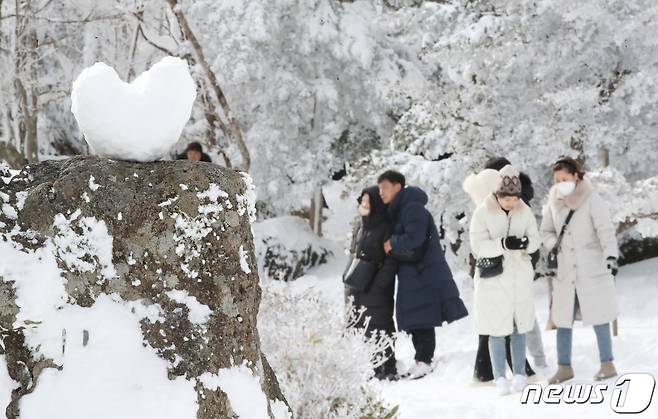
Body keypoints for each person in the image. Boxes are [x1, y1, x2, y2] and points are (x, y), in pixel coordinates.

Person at [378, 170, 468, 380]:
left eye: (385, 187)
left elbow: (415, 238)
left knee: (422, 317)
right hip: (415, 271)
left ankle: (424, 360)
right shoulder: (402, 208)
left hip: (423, 271)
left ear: (397, 186)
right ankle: (421, 359)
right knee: (415, 316)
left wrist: (393, 243)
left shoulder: (412, 208)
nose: (381, 193)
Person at [467, 157, 547, 384]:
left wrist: (525, 247)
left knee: (520, 324)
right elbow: (479, 245)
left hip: (517, 276)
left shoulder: (522, 208)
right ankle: (495, 374)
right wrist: (503, 244)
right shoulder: (484, 211)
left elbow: (534, 240)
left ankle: (520, 371)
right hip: (494, 276)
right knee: (494, 326)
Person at [540, 157, 619, 384]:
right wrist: (554, 244)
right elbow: (545, 230)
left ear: (576, 176)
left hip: (591, 266)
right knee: (562, 319)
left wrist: (610, 256)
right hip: (566, 270)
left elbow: (605, 230)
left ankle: (607, 363)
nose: (560, 183)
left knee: (600, 316)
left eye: (564, 179)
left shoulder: (592, 199)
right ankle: (564, 367)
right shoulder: (553, 201)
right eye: (557, 180)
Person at [344, 187, 399, 381]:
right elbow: (353, 253)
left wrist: (380, 283)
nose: (363, 204)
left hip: (377, 288)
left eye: (367, 201)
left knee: (381, 325)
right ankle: (374, 367)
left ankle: (389, 368)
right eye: (362, 201)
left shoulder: (386, 226)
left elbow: (392, 259)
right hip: (358, 285)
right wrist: (348, 277)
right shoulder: (360, 225)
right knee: (364, 327)